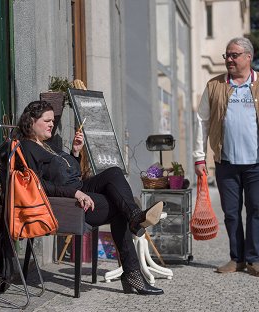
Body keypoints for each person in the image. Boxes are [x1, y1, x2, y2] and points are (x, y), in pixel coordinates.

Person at [17, 100, 164, 295]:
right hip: (67, 203)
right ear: (32, 122)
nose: (52, 124)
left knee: (113, 172)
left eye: (53, 120)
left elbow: (64, 172)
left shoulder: (46, 144)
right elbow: (39, 186)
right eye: (47, 120)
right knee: (118, 208)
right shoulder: (26, 148)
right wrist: (75, 193)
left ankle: (135, 216)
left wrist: (75, 152)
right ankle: (132, 270)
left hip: (77, 188)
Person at [193, 37, 259, 277]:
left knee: (256, 209)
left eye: (234, 55)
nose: (229, 59)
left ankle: (254, 260)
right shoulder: (214, 85)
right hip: (226, 161)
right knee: (230, 212)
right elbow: (201, 122)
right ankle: (236, 259)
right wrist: (199, 157)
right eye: (227, 55)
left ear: (249, 57)